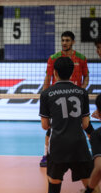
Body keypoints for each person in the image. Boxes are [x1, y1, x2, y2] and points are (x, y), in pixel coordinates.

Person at [39, 57, 101, 193]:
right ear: (73, 73)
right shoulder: (81, 92)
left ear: (55, 73)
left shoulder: (47, 93)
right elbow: (85, 123)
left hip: (58, 146)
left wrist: (57, 121)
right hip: (79, 145)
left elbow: (44, 126)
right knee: (92, 189)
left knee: (53, 190)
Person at [40, 31, 92, 167]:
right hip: (57, 97)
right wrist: (44, 96)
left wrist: (82, 89)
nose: (64, 43)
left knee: (86, 126)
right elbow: (48, 77)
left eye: (67, 40)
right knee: (52, 128)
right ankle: (45, 155)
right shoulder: (54, 58)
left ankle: (94, 152)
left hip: (75, 96)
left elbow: (86, 76)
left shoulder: (81, 58)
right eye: (62, 40)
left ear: (73, 42)